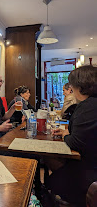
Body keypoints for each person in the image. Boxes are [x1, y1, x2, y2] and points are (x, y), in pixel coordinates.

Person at [46, 65, 97, 207]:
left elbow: (75, 142)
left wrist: (66, 136)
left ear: (79, 87)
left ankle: (59, 198)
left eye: (72, 87)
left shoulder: (87, 106)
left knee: (48, 159)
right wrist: (68, 133)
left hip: (89, 173)